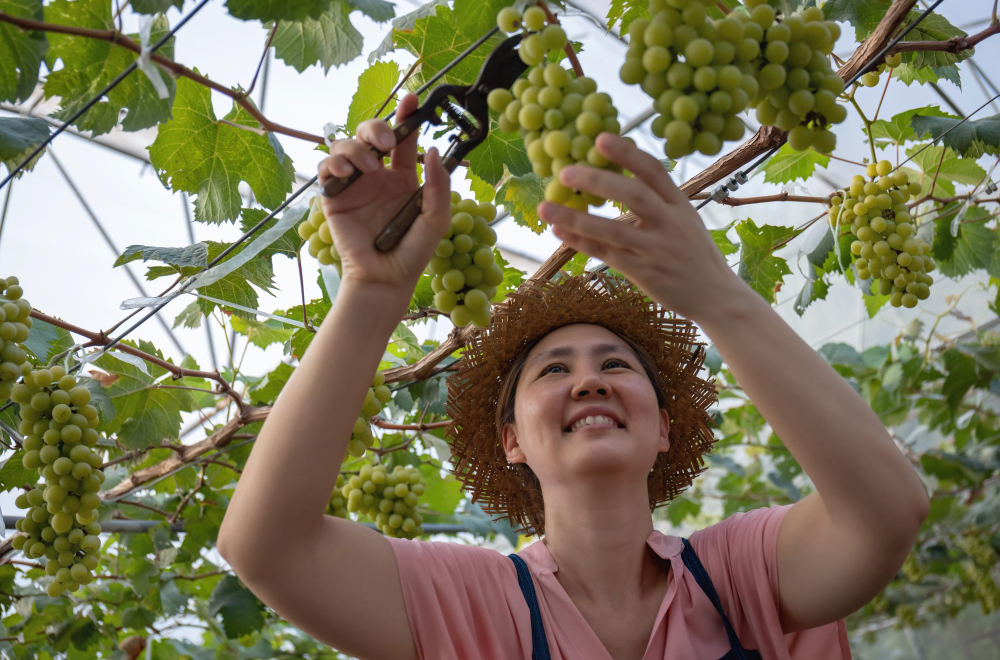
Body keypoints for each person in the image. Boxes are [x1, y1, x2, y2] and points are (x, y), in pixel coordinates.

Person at [217, 93, 931, 660]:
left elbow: (886, 512)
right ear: (511, 441)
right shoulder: (475, 599)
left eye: (615, 365)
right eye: (554, 369)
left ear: (664, 428)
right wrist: (371, 290)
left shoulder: (740, 574)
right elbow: (267, 547)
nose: (588, 381)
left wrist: (718, 295)